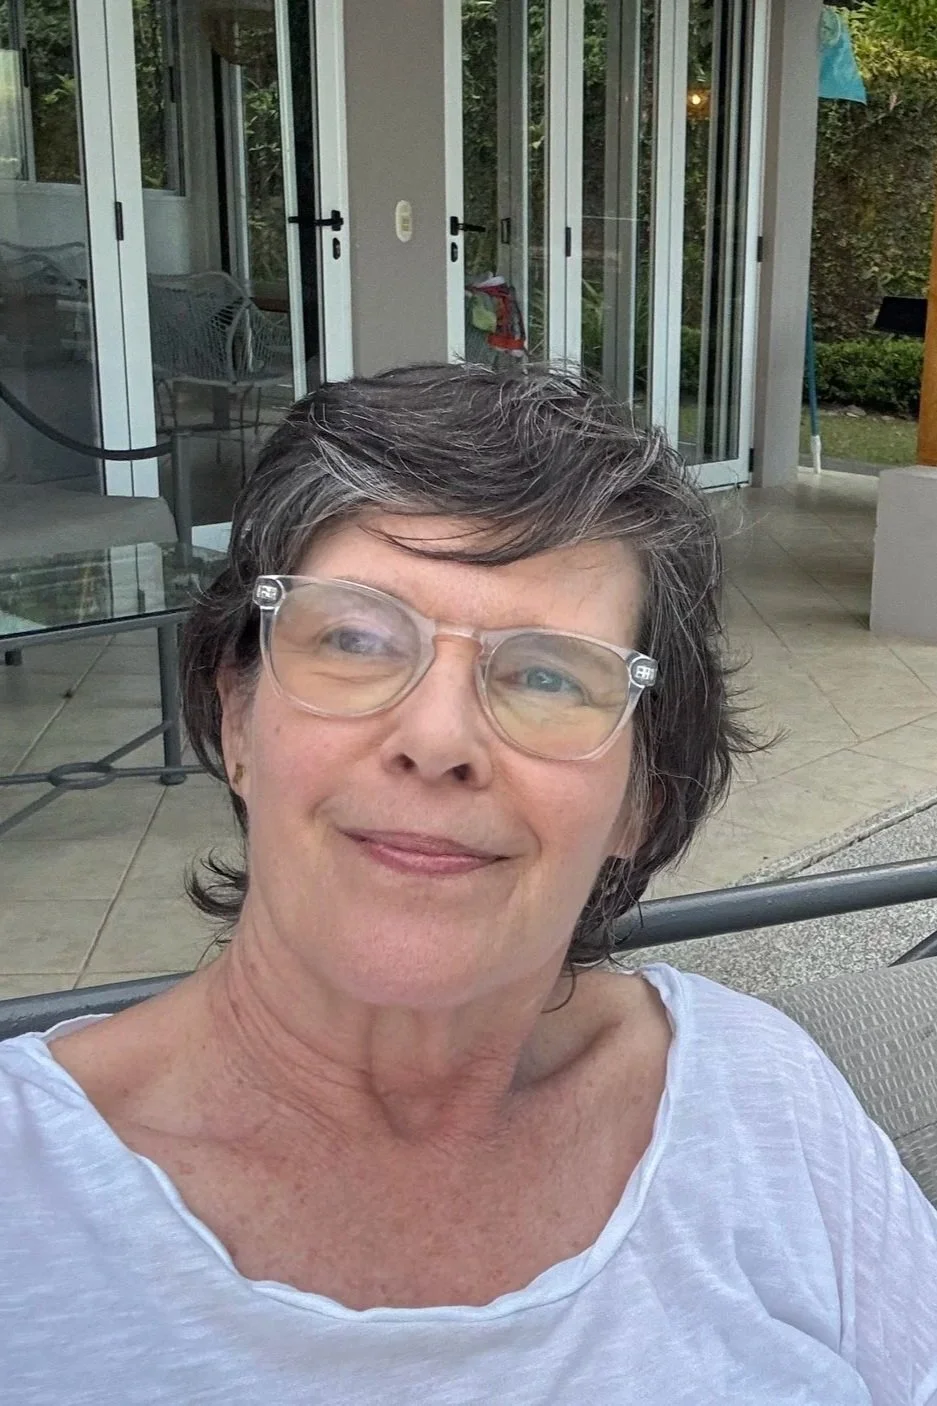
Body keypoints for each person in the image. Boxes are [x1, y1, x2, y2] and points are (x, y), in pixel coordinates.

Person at [2, 364, 937, 1404]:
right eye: (355, 639)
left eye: (546, 674)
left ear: (641, 795)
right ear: (236, 718)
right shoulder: (24, 1197)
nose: (438, 739)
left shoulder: (763, 1100)